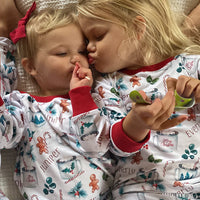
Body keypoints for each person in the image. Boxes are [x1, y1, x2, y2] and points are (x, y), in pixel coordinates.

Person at [77, 0, 200, 199]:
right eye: (85, 42)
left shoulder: (191, 63)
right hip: (141, 189)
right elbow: (113, 146)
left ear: (137, 28)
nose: (89, 48)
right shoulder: (106, 86)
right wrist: (135, 124)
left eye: (98, 36)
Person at [0, 2, 118, 199]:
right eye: (62, 53)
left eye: (82, 51)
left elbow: (99, 145)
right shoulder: (25, 106)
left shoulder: (97, 99)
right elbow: (4, 134)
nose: (76, 59)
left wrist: (82, 96)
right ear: (31, 67)